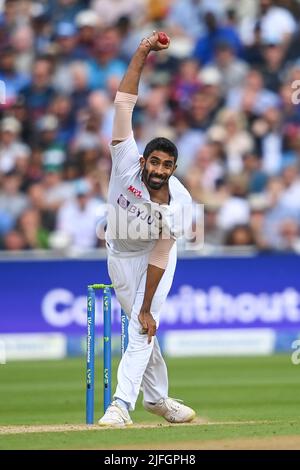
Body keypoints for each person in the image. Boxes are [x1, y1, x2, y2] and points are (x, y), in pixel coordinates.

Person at [99, 31, 196, 426]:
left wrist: (146, 304)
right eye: (153, 162)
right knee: (144, 327)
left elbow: (160, 252)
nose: (158, 170)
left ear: (174, 169)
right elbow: (125, 101)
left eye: (166, 166)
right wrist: (142, 51)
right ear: (144, 161)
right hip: (119, 255)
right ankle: (157, 399)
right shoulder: (125, 159)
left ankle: (120, 406)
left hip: (155, 259)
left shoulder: (182, 203)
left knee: (141, 324)